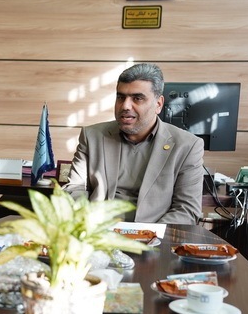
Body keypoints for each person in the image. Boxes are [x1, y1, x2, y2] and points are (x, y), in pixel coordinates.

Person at [62, 63, 204, 224]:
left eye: (137, 98)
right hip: (97, 232)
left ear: (158, 104)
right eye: (120, 97)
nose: (125, 106)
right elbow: (75, 189)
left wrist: (147, 234)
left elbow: (186, 209)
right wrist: (87, 224)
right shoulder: (92, 136)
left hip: (153, 235)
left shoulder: (187, 146)